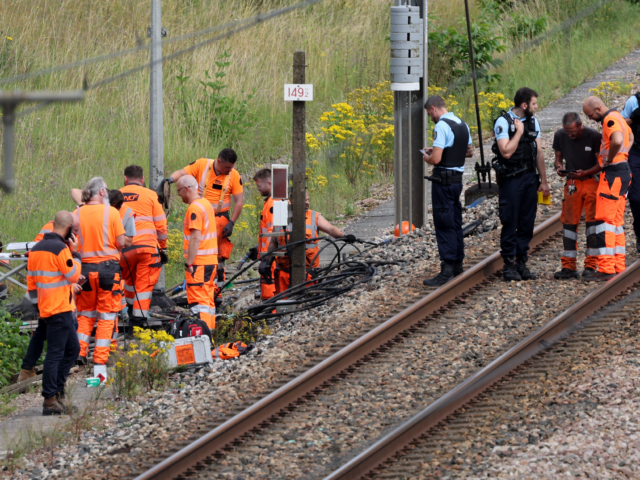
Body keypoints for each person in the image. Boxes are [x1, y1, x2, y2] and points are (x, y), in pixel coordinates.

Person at [163, 148, 243, 299]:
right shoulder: (202, 165)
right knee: (200, 253)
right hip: (202, 217)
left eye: (232, 167)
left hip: (220, 219)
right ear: (219, 161)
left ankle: (217, 292)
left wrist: (232, 222)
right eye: (227, 167)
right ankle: (202, 286)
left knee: (219, 257)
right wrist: (169, 180)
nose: (230, 170)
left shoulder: (234, 175)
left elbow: (239, 202)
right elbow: (181, 173)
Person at [25, 211, 82, 415]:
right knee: (56, 354)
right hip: (60, 309)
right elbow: (73, 275)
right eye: (73, 230)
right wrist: (75, 254)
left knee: (72, 350)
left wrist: (38, 307)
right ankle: (50, 401)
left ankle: (57, 392)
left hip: (48, 309)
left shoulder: (37, 248)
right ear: (67, 228)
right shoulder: (61, 249)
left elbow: (30, 283)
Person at [492, 87, 550, 281]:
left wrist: (543, 181)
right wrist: (518, 132)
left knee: (527, 222)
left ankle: (521, 262)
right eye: (534, 103)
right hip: (511, 179)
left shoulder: (533, 121)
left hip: (529, 177)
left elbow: (539, 152)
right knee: (510, 221)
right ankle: (508, 265)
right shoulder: (504, 122)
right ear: (524, 105)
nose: (536, 106)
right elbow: (506, 152)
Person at [75, 177, 125, 381]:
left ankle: (79, 353)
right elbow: (120, 241)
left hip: (84, 271)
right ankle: (100, 359)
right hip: (108, 271)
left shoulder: (77, 212)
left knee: (85, 314)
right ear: (102, 192)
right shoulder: (111, 212)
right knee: (106, 316)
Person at [422, 95, 474, 286]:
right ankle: (458, 263)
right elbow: (469, 152)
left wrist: (427, 157)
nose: (431, 118)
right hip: (457, 181)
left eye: (430, 114)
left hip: (443, 181)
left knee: (444, 223)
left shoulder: (441, 126)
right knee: (454, 221)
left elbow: (436, 160)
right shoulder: (462, 124)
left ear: (434, 109)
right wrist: (439, 148)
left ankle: (447, 268)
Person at [581, 96, 633, 280]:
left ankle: (605, 269)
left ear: (597, 108)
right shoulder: (619, 117)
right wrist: (622, 155)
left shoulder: (610, 120)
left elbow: (618, 140)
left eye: (589, 115)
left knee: (605, 222)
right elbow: (630, 136)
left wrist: (610, 159)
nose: (589, 119)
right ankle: (618, 265)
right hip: (623, 171)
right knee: (616, 222)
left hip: (612, 173)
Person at [266, 191, 355, 294]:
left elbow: (330, 229)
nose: (307, 203)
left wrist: (344, 236)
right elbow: (273, 242)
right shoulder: (282, 216)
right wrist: (267, 263)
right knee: (284, 304)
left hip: (308, 272)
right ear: (293, 201)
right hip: (283, 274)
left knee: (307, 301)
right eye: (304, 200)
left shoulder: (314, 216)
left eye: (308, 200)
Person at [552, 112, 602, 280]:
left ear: (581, 125)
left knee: (592, 223)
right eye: (567, 131)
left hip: (591, 182)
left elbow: (601, 163)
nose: (570, 135)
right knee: (568, 223)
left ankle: (591, 265)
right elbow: (558, 158)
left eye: (573, 131)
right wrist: (559, 167)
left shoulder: (594, 136)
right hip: (572, 183)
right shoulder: (560, 135)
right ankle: (568, 266)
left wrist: (585, 172)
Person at [120, 165, 168, 327]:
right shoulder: (151, 195)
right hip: (147, 249)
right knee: (143, 284)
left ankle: (130, 309)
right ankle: (139, 321)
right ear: (142, 180)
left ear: (125, 179)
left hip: (124, 250)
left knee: (128, 281)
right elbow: (161, 226)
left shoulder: (116, 195)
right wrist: (163, 247)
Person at [176, 175, 218, 329]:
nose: (178, 195)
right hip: (210, 262)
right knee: (208, 302)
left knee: (199, 303)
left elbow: (195, 237)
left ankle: (203, 338)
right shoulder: (205, 203)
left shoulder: (194, 208)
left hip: (199, 264)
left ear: (186, 189)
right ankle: (210, 335)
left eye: (179, 191)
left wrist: (189, 262)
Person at [621, 90, 640, 251]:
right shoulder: (634, 102)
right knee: (636, 197)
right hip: (636, 152)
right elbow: (620, 125)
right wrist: (634, 118)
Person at [253, 168, 276, 300]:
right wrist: (258, 249)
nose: (258, 189)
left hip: (271, 259)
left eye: (259, 186)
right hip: (269, 257)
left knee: (270, 293)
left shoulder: (273, 203)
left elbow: (274, 234)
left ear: (269, 183)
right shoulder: (269, 203)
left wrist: (267, 259)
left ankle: (272, 315)